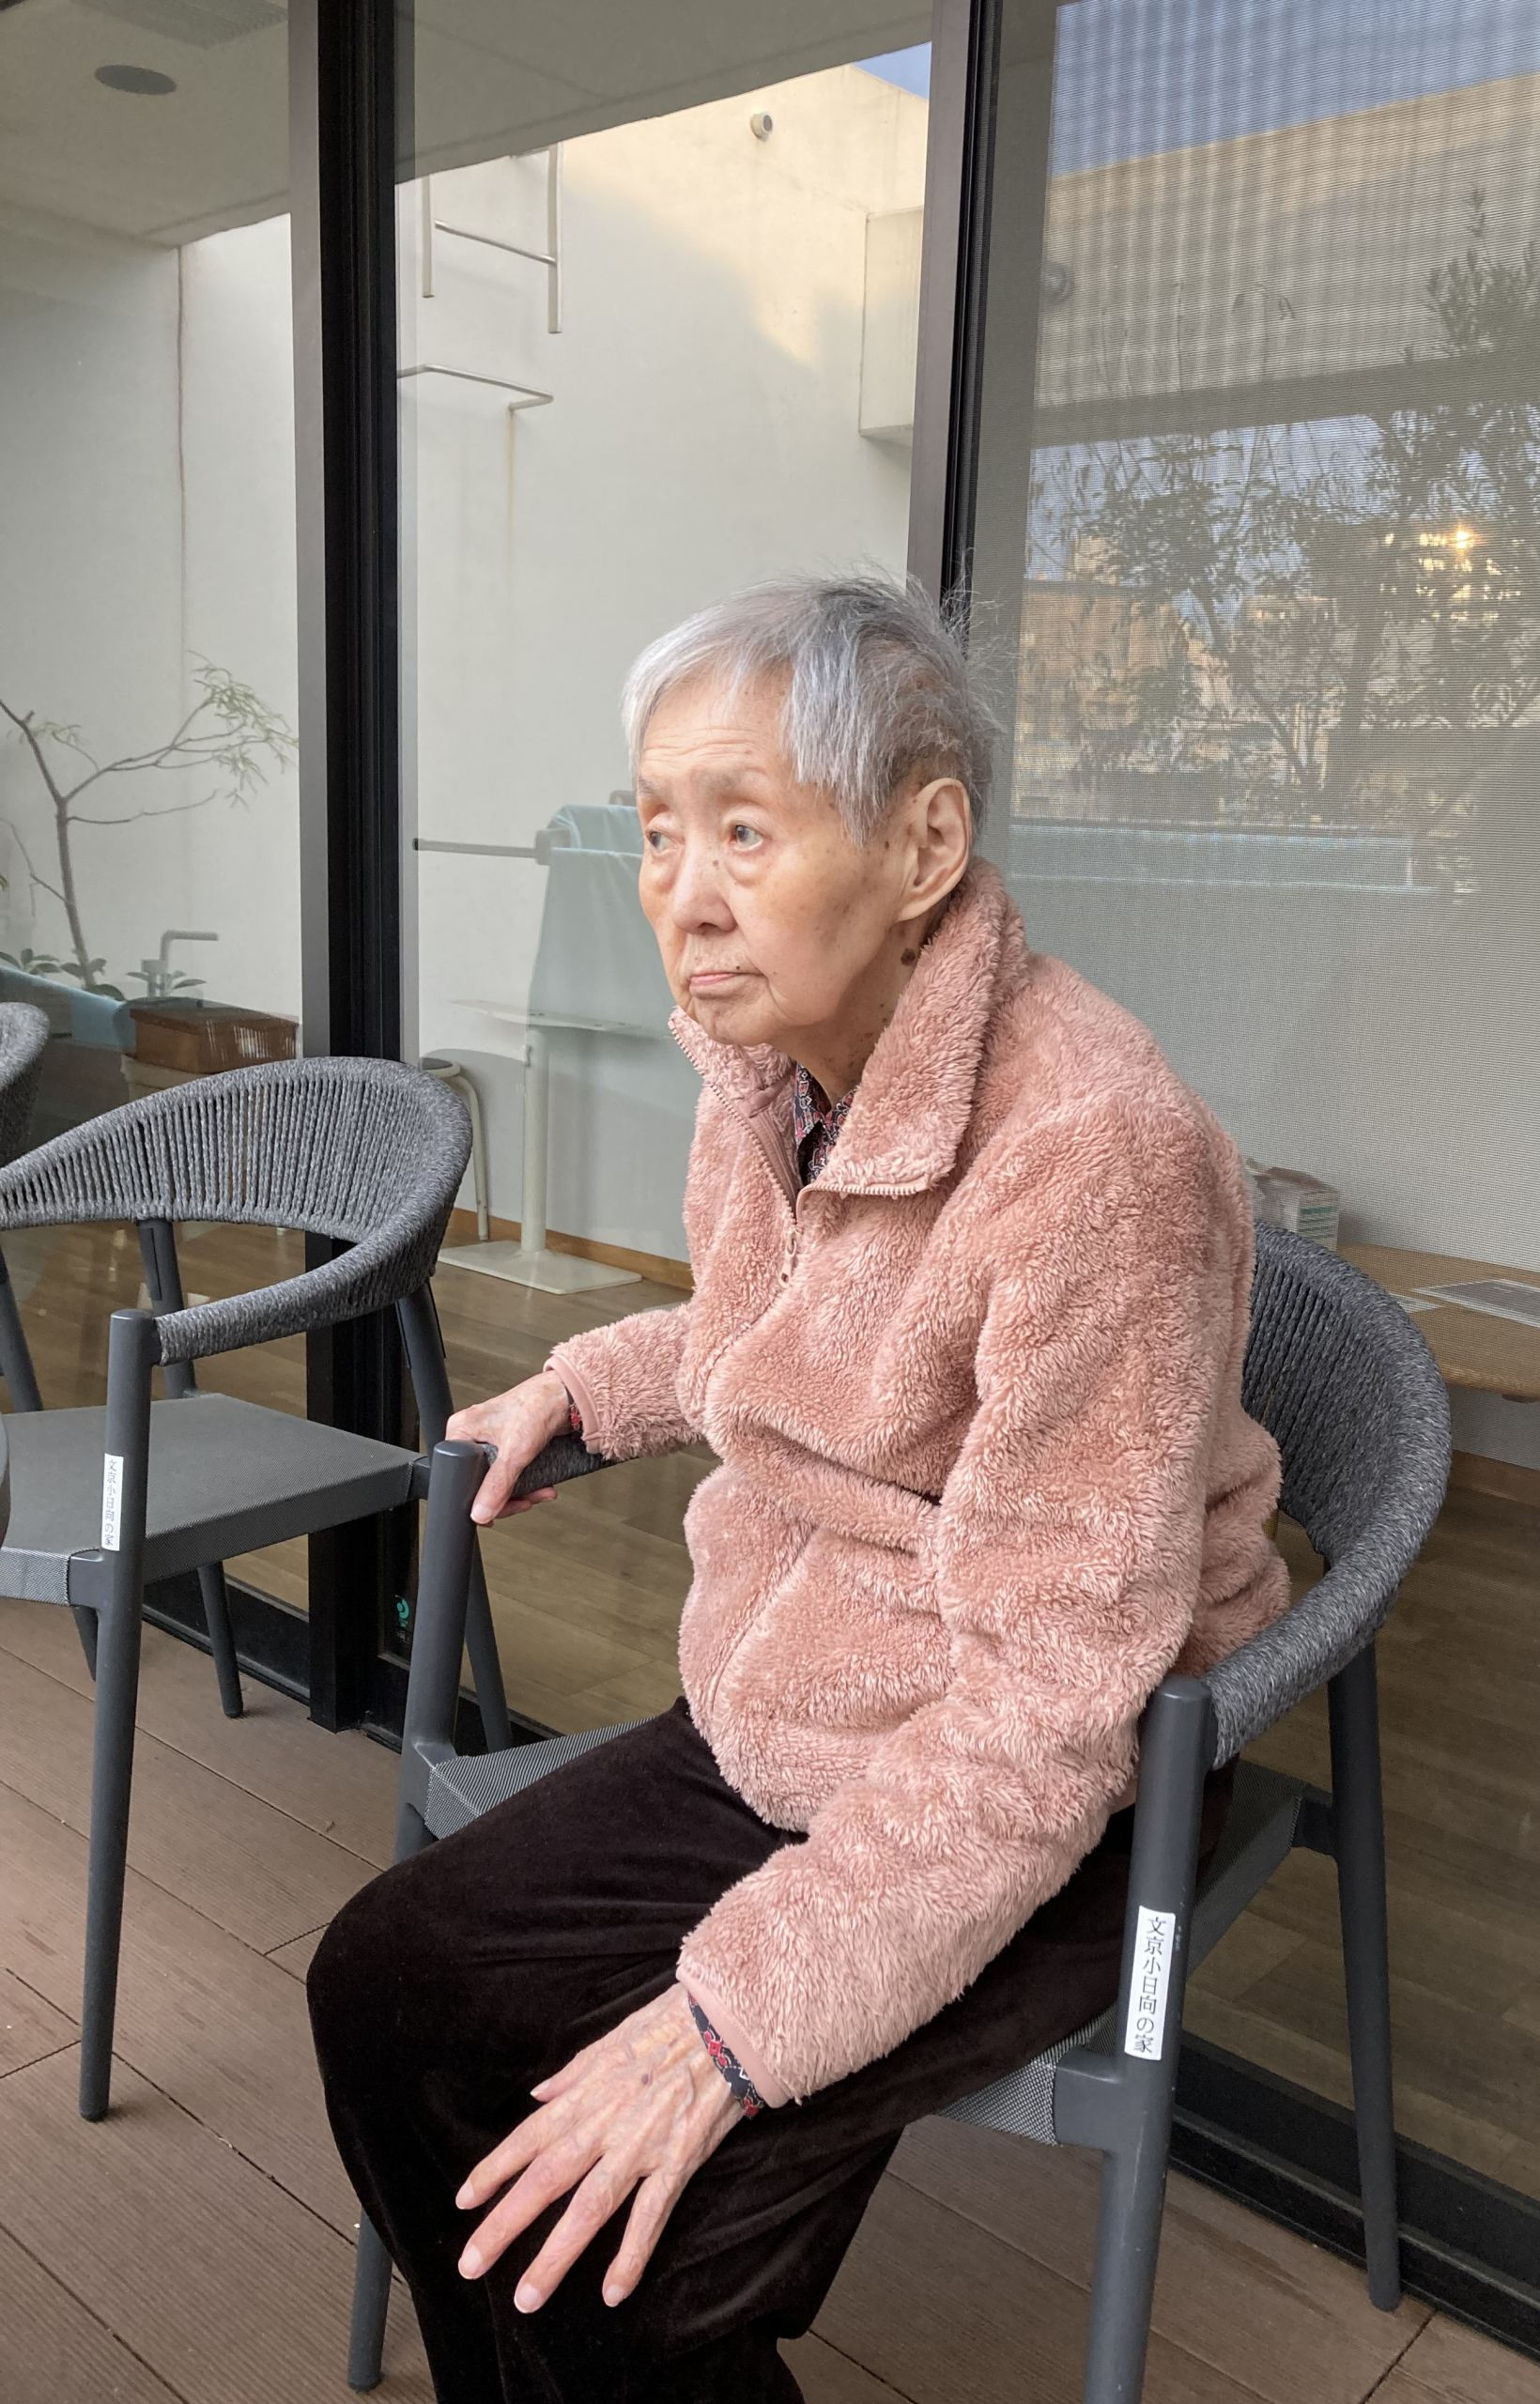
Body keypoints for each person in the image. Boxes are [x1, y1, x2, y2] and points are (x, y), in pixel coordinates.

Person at [308, 574, 1289, 2403]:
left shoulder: (1102, 1162)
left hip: (1055, 1780)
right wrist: (590, 1381)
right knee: (388, 1986)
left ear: (925, 845)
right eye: (655, 829)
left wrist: (731, 2021)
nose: (682, 891)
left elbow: (1049, 1706)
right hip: (793, 1697)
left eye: (744, 829)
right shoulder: (773, 1074)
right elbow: (785, 1333)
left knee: (631, 2244)